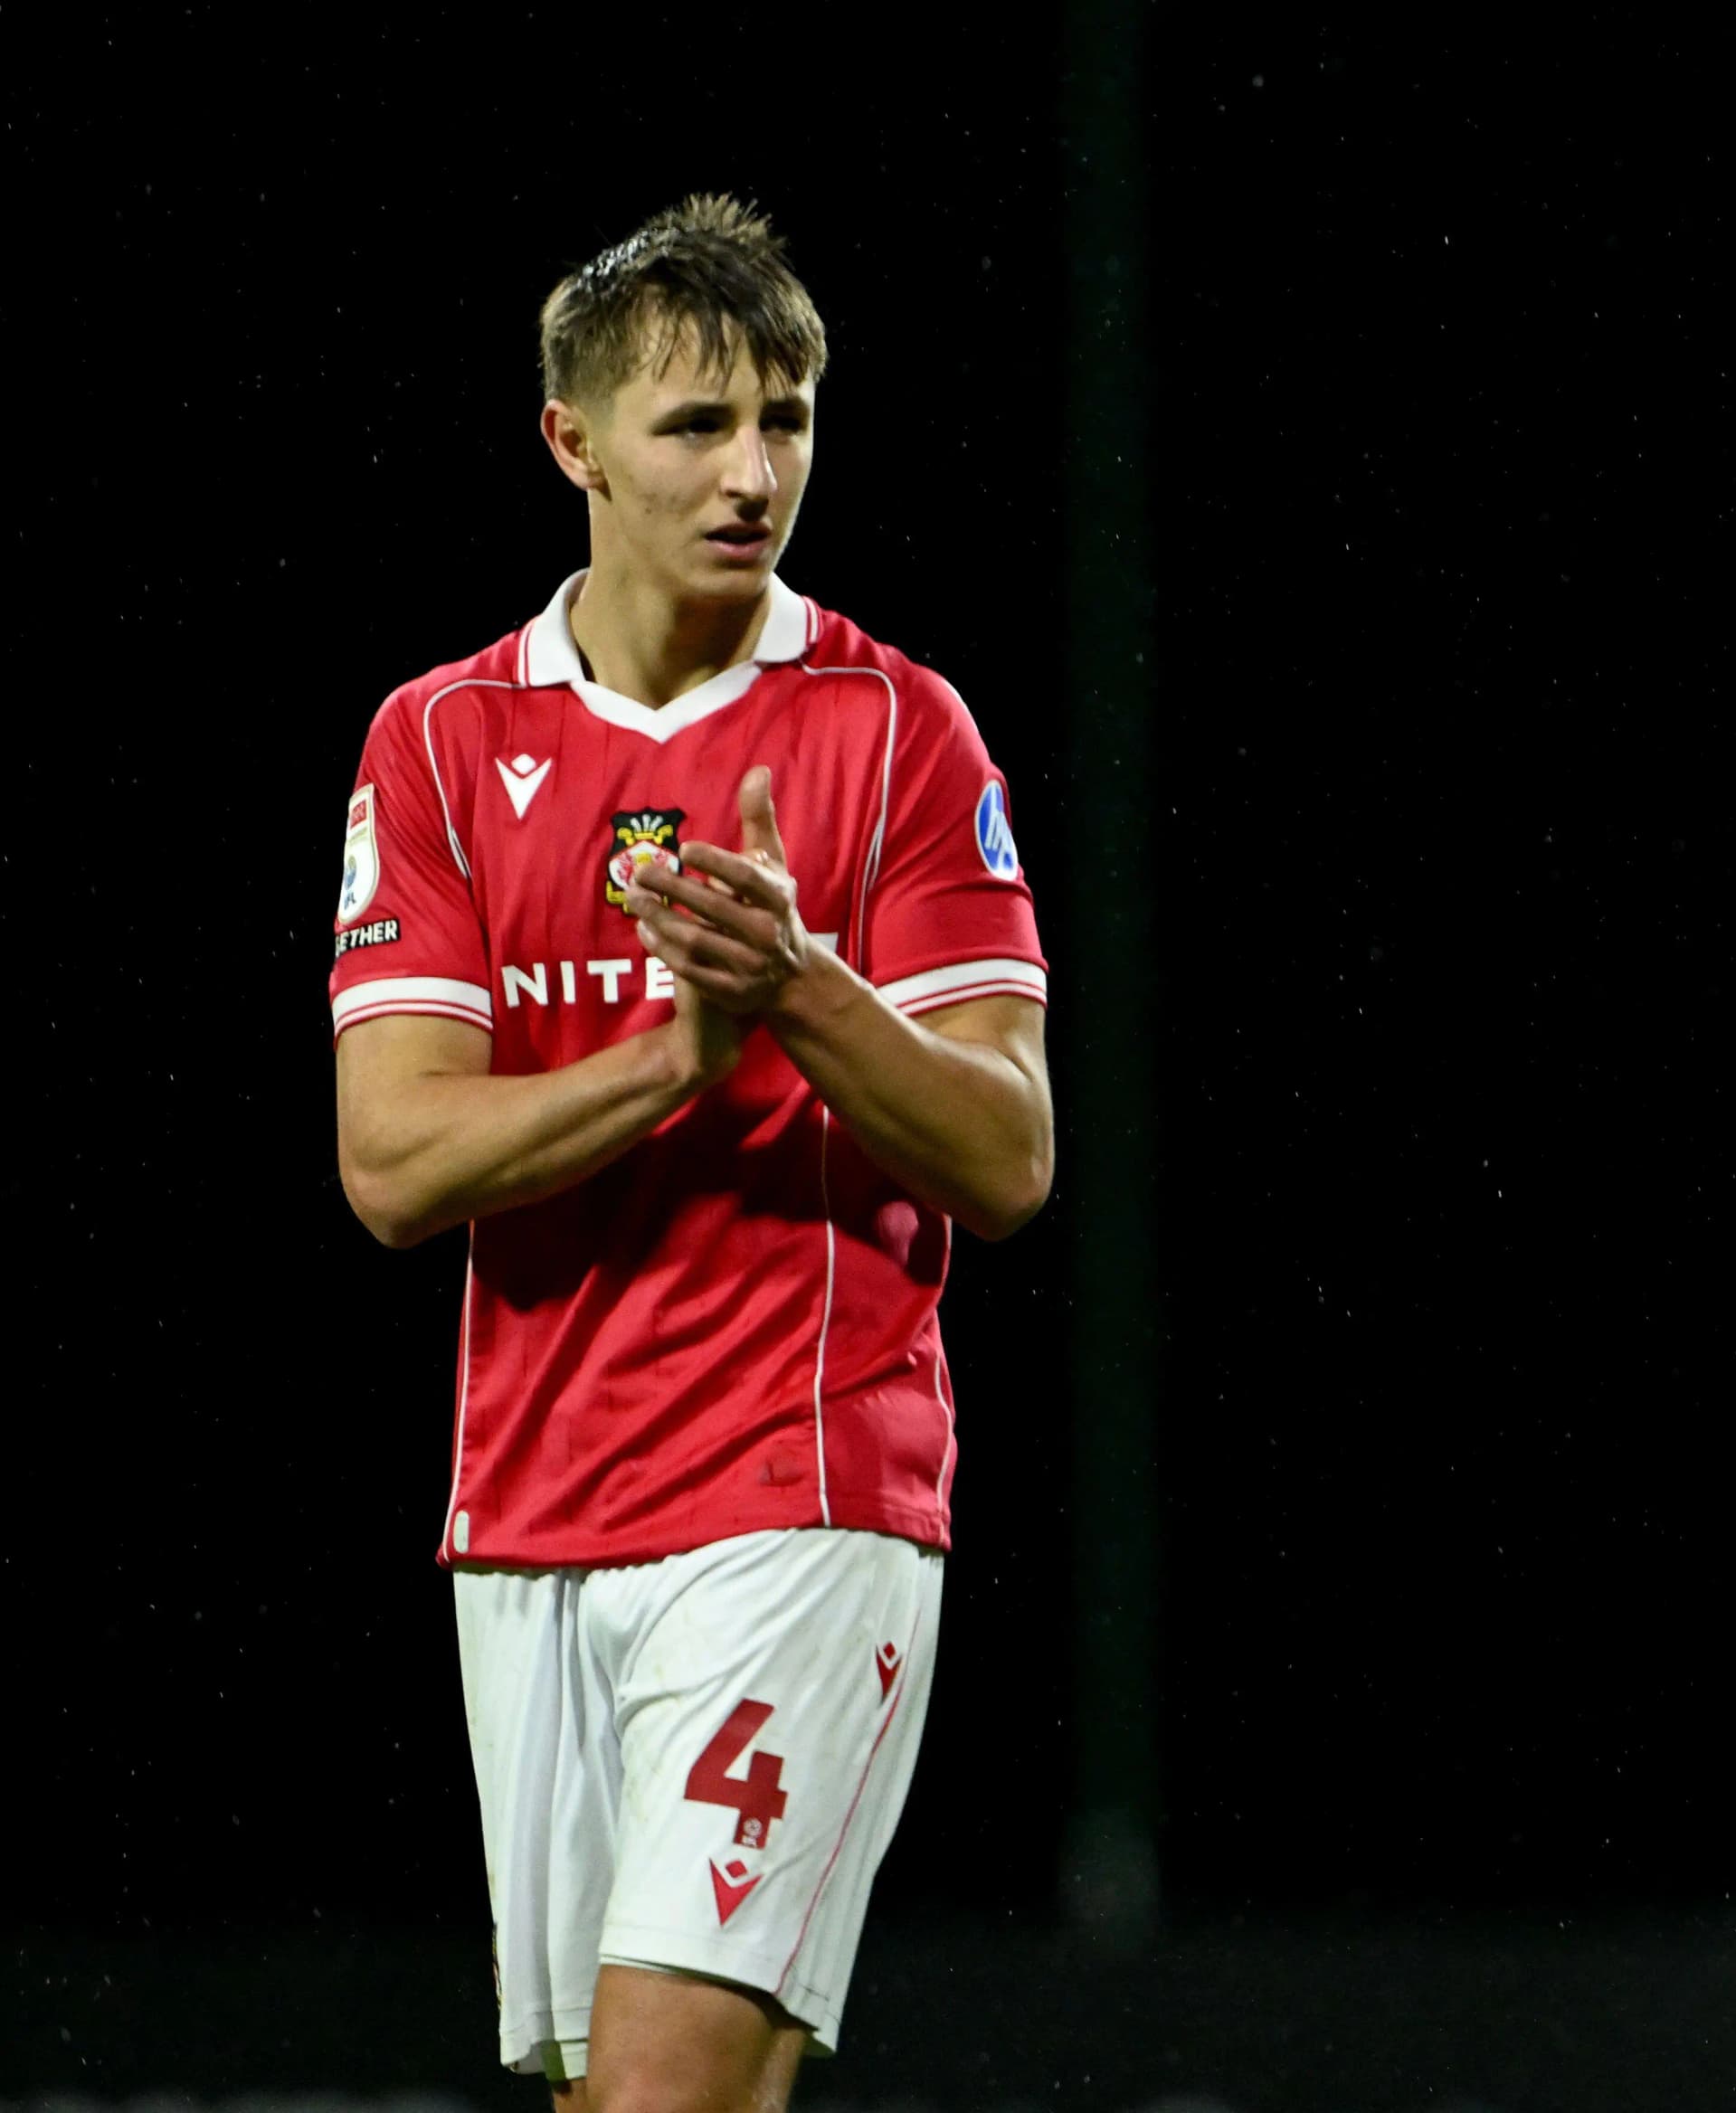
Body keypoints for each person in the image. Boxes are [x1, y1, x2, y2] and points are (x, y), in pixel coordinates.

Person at [327, 195, 1055, 2106]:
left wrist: (803, 993)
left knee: (663, 2092)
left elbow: (1009, 1152)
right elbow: (394, 1166)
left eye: (790, 420)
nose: (754, 473)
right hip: (535, 1517)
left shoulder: (902, 730)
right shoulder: (438, 741)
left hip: (801, 1490)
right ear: (570, 442)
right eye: (699, 426)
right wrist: (681, 1056)